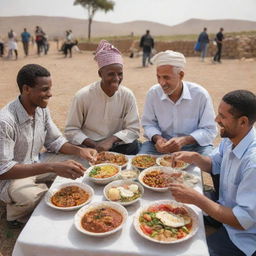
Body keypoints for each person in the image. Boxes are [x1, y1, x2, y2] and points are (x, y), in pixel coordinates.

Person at [0, 64, 97, 228]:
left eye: (50, 89)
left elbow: (55, 141)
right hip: (12, 177)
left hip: (37, 163)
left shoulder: (41, 110)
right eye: (45, 89)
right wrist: (52, 167)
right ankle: (15, 215)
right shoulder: (5, 121)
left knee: (85, 161)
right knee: (29, 196)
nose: (50, 94)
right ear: (26, 89)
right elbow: (3, 169)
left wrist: (81, 150)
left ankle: (41, 187)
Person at [169, 90, 256, 256]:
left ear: (243, 122)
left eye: (222, 116)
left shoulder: (253, 163)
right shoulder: (231, 141)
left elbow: (241, 221)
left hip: (241, 235)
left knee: (189, 251)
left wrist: (197, 199)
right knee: (175, 203)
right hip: (223, 208)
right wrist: (194, 157)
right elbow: (214, 164)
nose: (216, 120)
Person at [65, 40, 140, 155]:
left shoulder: (127, 95)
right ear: (100, 74)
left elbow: (133, 129)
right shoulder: (83, 96)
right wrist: (94, 145)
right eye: (111, 74)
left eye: (120, 73)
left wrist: (111, 140)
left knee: (134, 145)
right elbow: (71, 130)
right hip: (89, 145)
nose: (116, 78)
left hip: (115, 143)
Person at [139, 50, 217, 155]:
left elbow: (209, 130)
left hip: (193, 145)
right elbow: (148, 124)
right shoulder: (153, 94)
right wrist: (157, 139)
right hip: (161, 145)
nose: (162, 83)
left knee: (209, 160)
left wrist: (184, 140)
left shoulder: (200, 95)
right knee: (141, 159)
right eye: (158, 77)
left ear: (181, 75)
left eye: (166, 77)